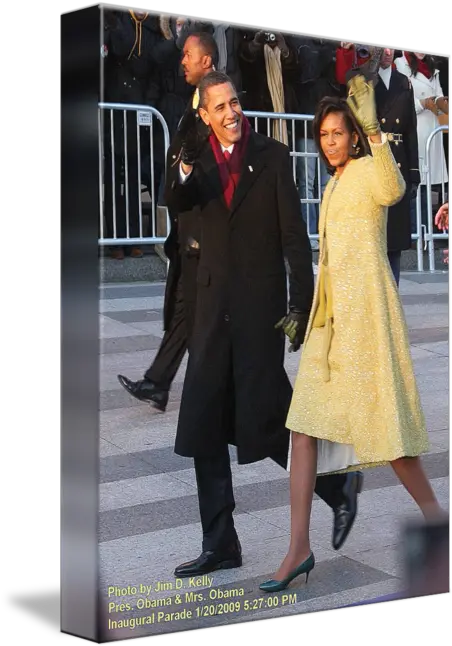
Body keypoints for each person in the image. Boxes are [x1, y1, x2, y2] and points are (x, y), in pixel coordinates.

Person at [165, 71, 364, 579]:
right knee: (205, 424)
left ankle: (337, 487)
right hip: (211, 311)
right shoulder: (196, 156)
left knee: (267, 420)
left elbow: (294, 237)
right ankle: (221, 543)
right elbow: (177, 201)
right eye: (221, 107)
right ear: (206, 115)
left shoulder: (272, 156)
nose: (232, 113)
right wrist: (185, 160)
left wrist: (301, 305)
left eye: (235, 101)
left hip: (260, 311)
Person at [259, 75, 444, 593]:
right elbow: (330, 262)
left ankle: (436, 522)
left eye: (338, 133)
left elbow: (395, 187)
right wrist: (307, 312)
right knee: (303, 430)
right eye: (323, 135)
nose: (330, 142)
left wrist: (376, 134)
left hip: (366, 324)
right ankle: (298, 548)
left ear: (354, 136)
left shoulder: (366, 171)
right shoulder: (336, 182)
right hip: (331, 329)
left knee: (390, 437)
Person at [117, 32, 219, 411]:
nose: (183, 60)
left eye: (189, 54)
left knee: (194, 313)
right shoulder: (194, 101)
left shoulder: (216, 103)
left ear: (206, 61)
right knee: (182, 308)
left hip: (203, 228)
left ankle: (201, 387)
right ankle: (158, 384)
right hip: (187, 225)